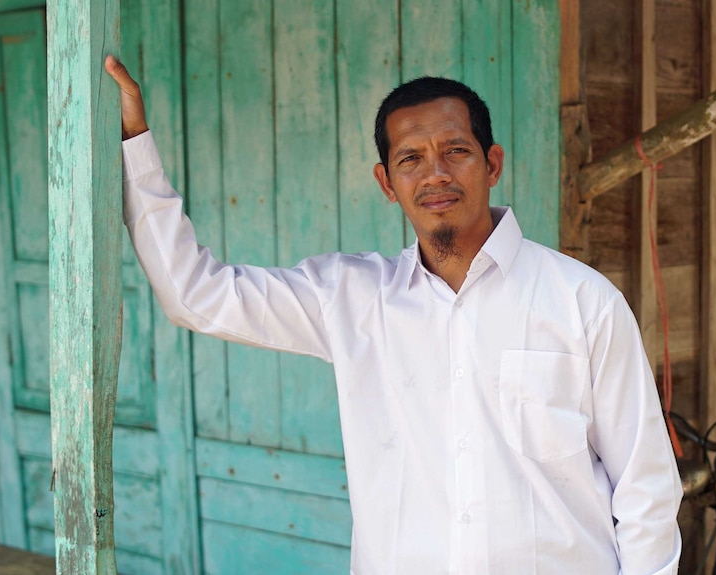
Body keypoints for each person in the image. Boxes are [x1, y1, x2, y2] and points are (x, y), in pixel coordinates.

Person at [105, 55, 682, 575]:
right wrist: (135, 141)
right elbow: (195, 295)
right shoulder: (352, 299)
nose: (435, 174)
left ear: (492, 163)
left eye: (455, 150)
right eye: (410, 158)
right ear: (386, 182)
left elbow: (644, 485)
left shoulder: (583, 300)